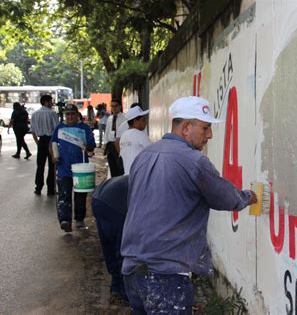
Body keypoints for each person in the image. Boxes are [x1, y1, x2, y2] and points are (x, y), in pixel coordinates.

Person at [120, 96, 257, 314]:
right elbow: (227, 198)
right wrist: (250, 196)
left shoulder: (145, 155)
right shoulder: (193, 161)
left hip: (133, 269)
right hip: (165, 275)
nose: (209, 135)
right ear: (185, 128)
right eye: (205, 128)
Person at [50, 104, 96, 232]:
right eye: (67, 114)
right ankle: (65, 220)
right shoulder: (59, 128)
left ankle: (79, 219)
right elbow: (52, 144)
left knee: (80, 196)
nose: (70, 117)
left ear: (77, 115)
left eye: (72, 114)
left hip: (80, 169)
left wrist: (86, 146)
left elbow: (92, 146)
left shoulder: (84, 128)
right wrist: (54, 156)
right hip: (64, 168)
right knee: (64, 196)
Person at [92, 175, 129, 304]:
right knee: (122, 248)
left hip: (98, 198)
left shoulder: (137, 177)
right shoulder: (152, 190)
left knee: (108, 244)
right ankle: (125, 292)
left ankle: (115, 286)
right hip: (114, 204)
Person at [30, 94, 58, 195]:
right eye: (51, 101)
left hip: (41, 141)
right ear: (46, 102)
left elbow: (33, 130)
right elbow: (56, 130)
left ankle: (38, 187)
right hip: (51, 140)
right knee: (52, 166)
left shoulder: (34, 114)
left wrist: (38, 143)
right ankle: (50, 188)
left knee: (40, 165)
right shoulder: (52, 113)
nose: (52, 103)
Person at [115, 105, 151, 175]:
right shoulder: (139, 134)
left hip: (126, 175)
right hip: (138, 175)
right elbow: (153, 151)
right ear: (135, 121)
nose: (145, 122)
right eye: (143, 120)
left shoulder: (124, 135)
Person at [104, 99, 126, 177]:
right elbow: (107, 132)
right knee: (112, 167)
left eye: (116, 106)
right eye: (112, 106)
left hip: (119, 144)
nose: (114, 108)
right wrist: (105, 144)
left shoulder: (124, 118)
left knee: (120, 167)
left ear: (120, 106)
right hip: (110, 145)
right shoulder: (110, 118)